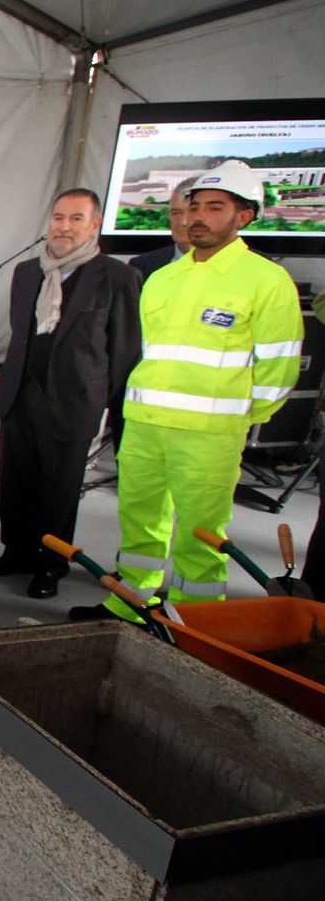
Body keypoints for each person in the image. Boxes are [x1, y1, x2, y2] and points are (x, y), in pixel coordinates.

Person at [82, 161, 303, 622]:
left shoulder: (265, 280)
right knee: (140, 524)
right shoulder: (163, 277)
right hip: (144, 427)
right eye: (194, 207)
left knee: (200, 536)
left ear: (244, 216)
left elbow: (279, 367)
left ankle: (195, 624)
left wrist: (239, 415)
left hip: (209, 435)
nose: (197, 217)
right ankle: (130, 606)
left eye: (215, 208)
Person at [0, 189, 140, 600]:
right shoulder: (28, 272)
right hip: (21, 395)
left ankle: (51, 564)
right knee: (15, 481)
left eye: (76, 219)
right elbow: (20, 335)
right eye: (59, 217)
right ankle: (15, 552)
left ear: (95, 224)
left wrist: (103, 402)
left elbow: (124, 349)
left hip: (74, 402)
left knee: (59, 489)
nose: (64, 226)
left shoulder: (116, 276)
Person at [128, 174, 198, 282]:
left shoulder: (232, 266)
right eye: (176, 213)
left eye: (191, 213)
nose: (182, 222)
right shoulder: (141, 266)